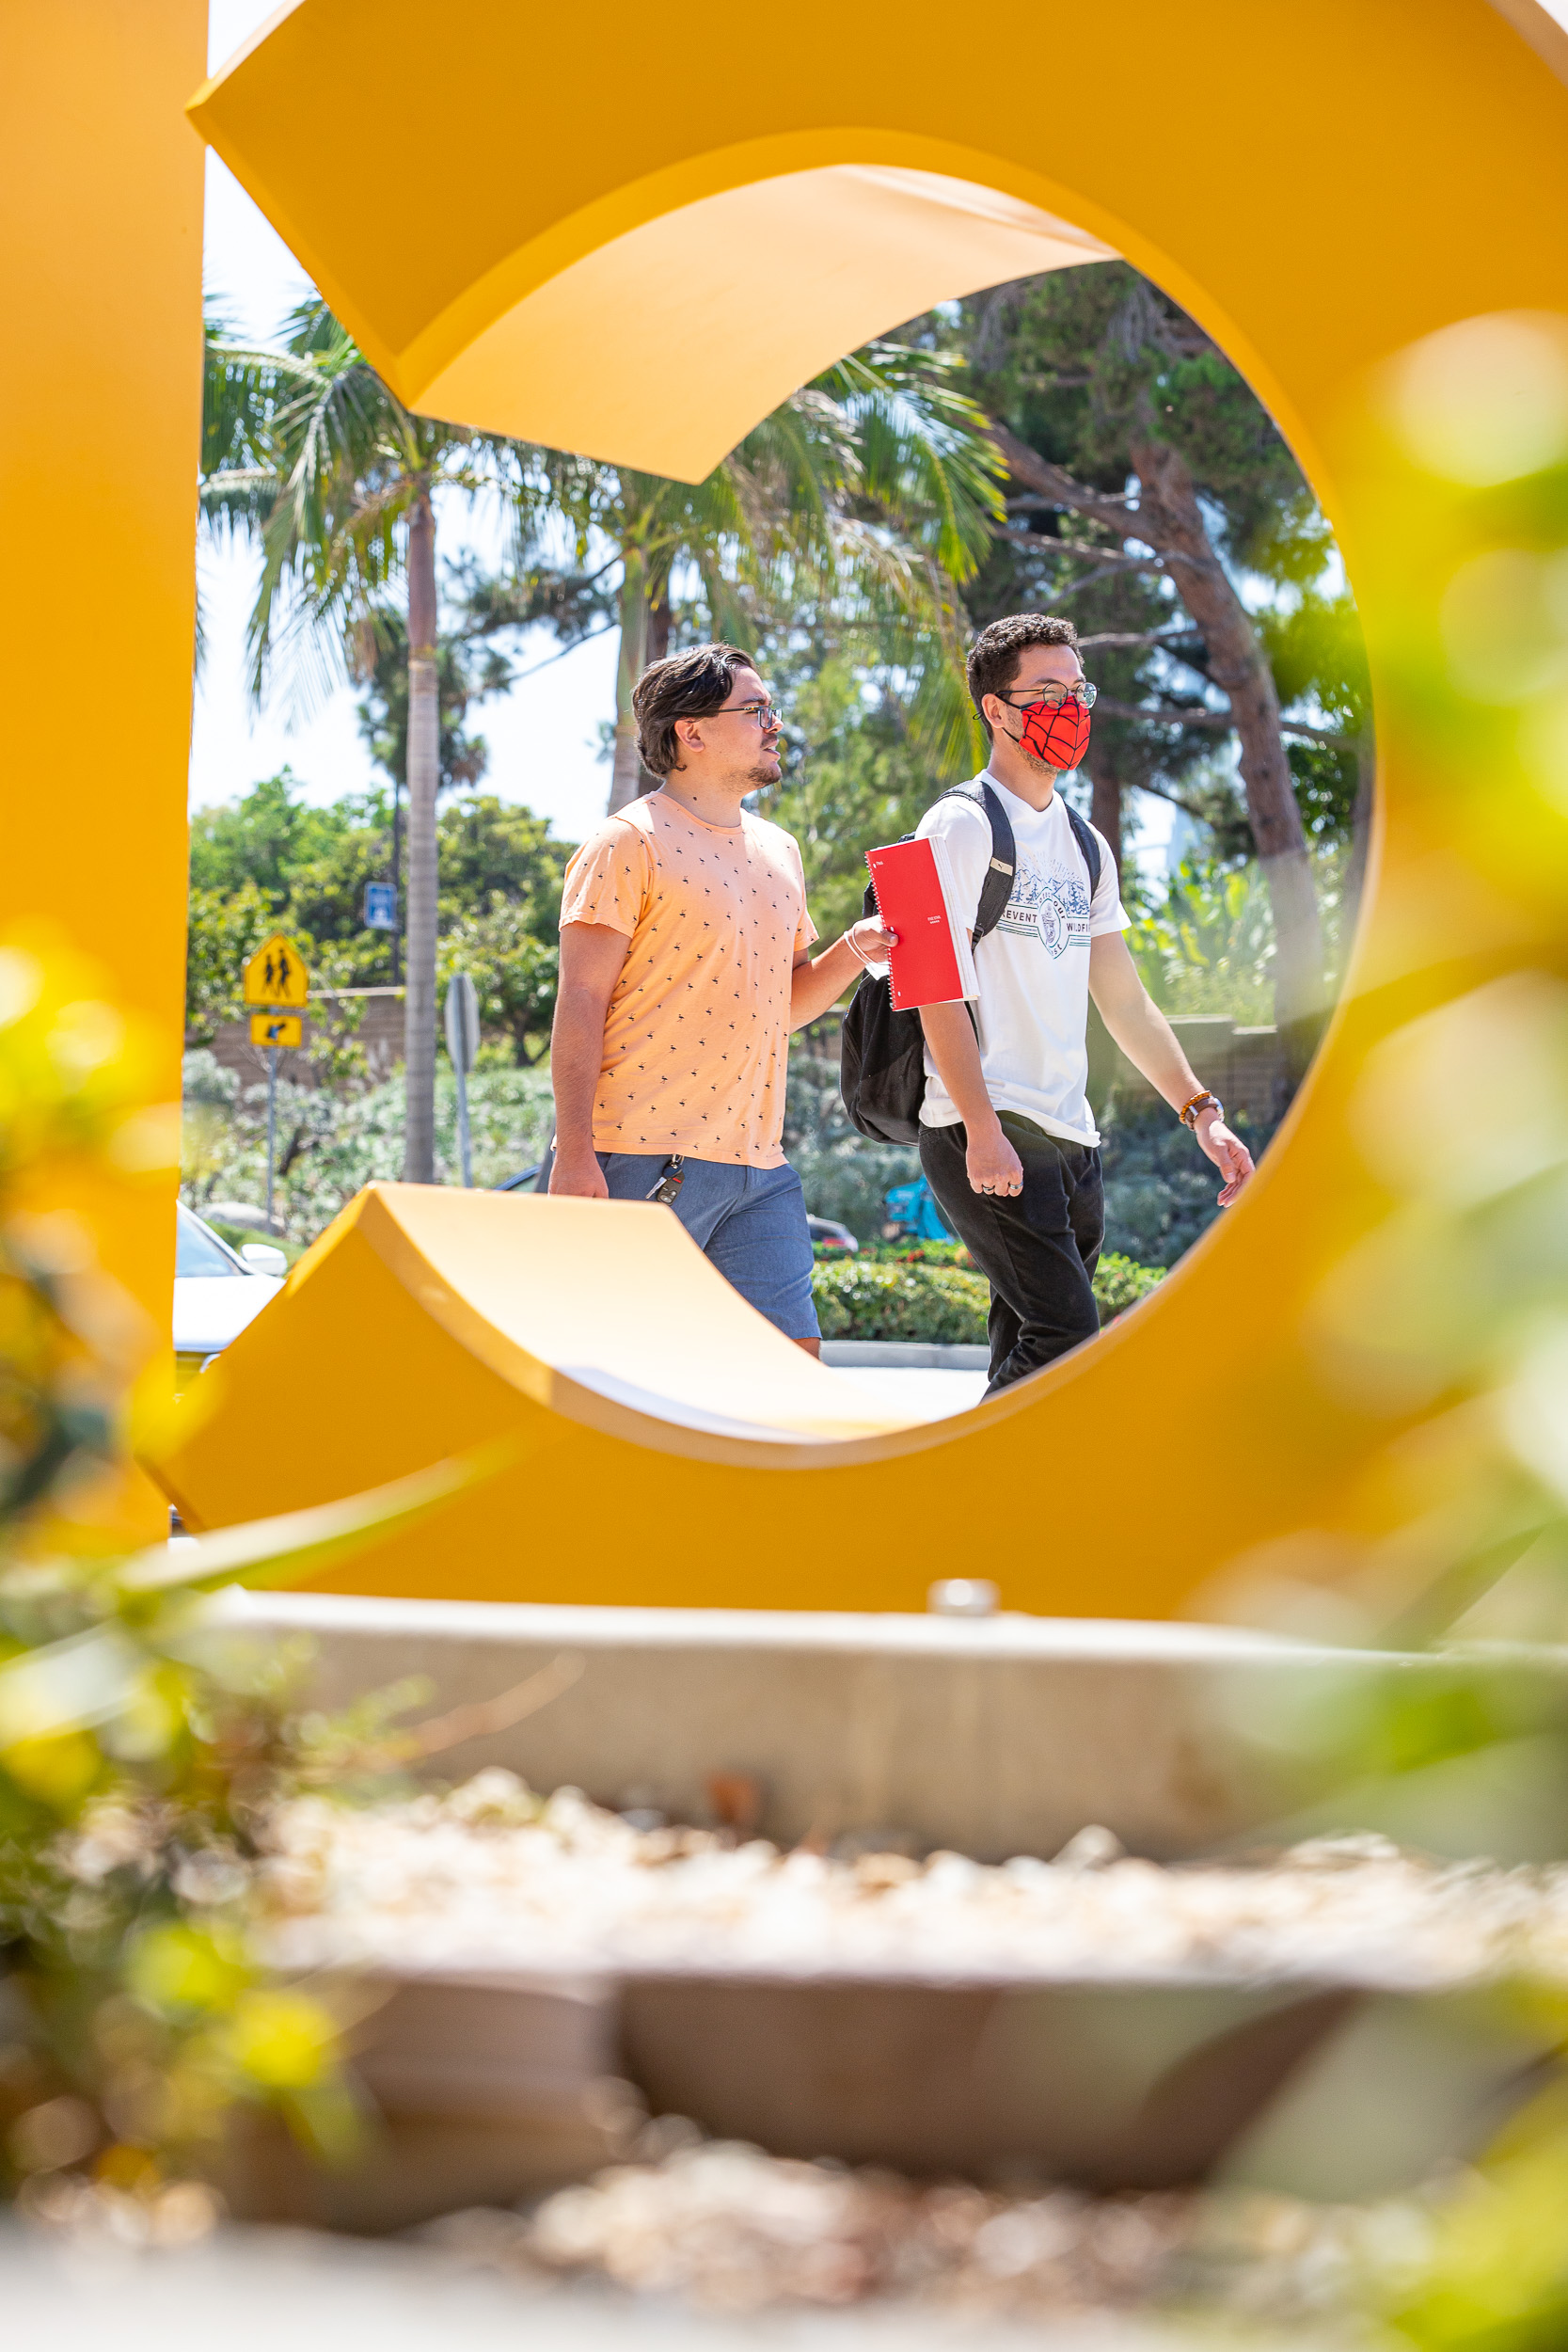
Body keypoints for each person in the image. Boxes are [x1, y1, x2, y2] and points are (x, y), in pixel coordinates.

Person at [912, 612, 1256, 1395]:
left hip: (1070, 1133)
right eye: (1046, 691)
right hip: (989, 1124)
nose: (1070, 708)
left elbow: (1125, 1001)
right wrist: (981, 1128)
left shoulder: (1085, 842)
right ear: (995, 709)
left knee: (1026, 1345)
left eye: (1078, 689)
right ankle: (953, 1494)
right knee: (1064, 1336)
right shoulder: (956, 827)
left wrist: (1202, 1111)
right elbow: (933, 993)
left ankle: (1003, 1508)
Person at [547, 643, 893, 1354]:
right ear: (691, 731)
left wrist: (855, 950)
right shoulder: (625, 843)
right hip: (633, 1162)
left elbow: (787, 1007)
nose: (774, 724)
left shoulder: (780, 850)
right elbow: (579, 1001)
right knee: (622, 1381)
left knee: (789, 1368)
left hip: (758, 1171)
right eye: (755, 709)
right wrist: (575, 1151)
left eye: (771, 710)